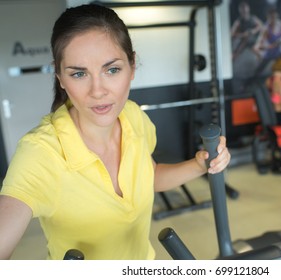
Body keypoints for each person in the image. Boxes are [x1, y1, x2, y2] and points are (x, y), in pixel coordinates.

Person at [0, 4, 231, 260]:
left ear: (132, 66)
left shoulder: (133, 116)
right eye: (78, 74)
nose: (98, 91)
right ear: (60, 78)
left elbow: (148, 176)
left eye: (111, 70)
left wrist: (200, 165)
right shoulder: (40, 152)